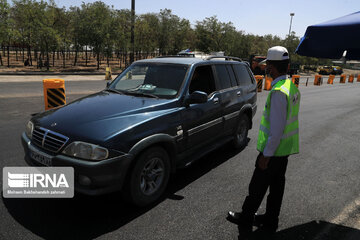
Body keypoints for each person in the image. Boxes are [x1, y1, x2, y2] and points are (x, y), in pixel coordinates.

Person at [227, 46, 301, 237]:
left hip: (273, 151)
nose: (265, 69)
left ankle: (246, 218)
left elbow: (276, 130)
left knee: (257, 187)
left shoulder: (278, 92)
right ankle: (270, 220)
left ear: (271, 68)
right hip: (283, 151)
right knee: (276, 188)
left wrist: (266, 155)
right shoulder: (291, 86)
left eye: (267, 65)